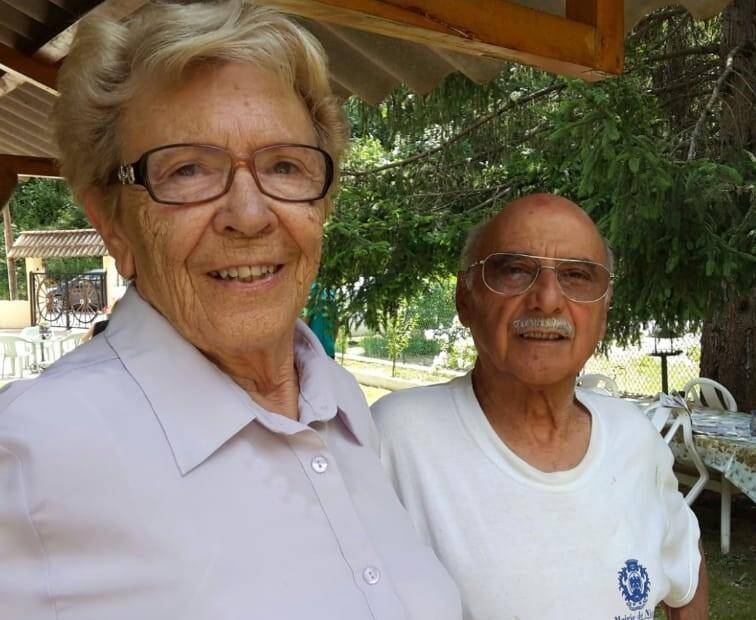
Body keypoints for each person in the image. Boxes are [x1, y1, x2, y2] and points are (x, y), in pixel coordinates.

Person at [0, 2, 460, 619]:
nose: (249, 214)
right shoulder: (34, 450)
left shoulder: (341, 403)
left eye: (284, 166)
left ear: (321, 204)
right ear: (111, 220)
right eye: (188, 169)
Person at [373, 193, 708, 619]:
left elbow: (685, 557)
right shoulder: (396, 440)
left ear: (603, 316)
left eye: (576, 275)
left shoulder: (635, 439)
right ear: (465, 299)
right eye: (514, 271)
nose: (547, 300)